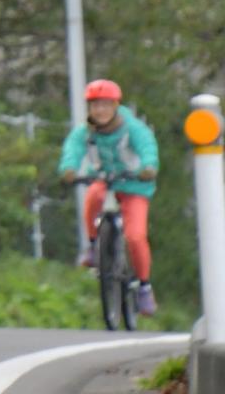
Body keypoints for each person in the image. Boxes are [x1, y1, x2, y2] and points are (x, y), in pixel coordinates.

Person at [60, 78, 161, 317]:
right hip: (105, 179)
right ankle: (93, 245)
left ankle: (144, 286)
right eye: (95, 105)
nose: (100, 110)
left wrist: (148, 167)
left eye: (106, 105)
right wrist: (69, 169)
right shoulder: (86, 131)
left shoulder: (132, 127)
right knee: (92, 196)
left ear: (116, 105)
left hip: (135, 184)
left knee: (136, 236)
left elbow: (148, 147)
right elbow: (72, 150)